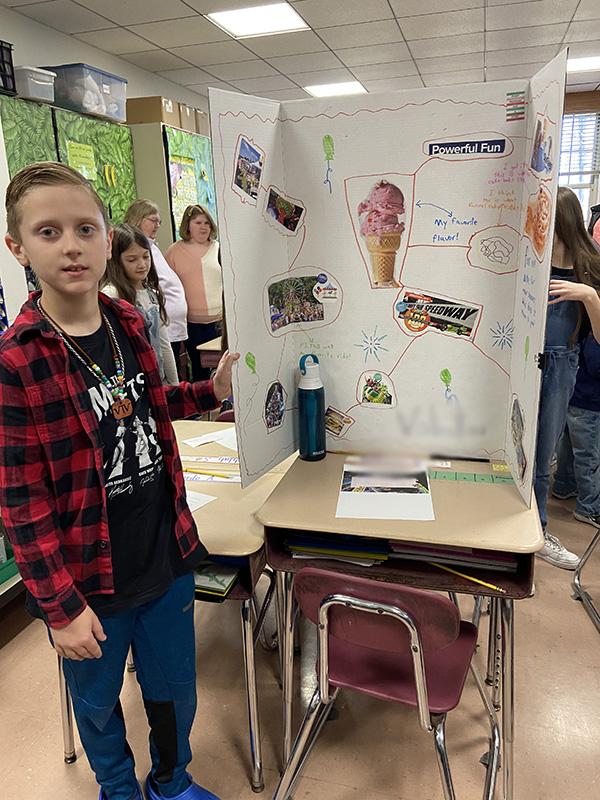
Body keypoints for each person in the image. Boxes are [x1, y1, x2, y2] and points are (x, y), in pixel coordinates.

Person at [0, 162, 239, 800]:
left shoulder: (127, 321)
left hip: (162, 552)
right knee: (100, 704)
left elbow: (149, 405)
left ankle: (170, 781)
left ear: (110, 238)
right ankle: (118, 789)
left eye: (86, 228)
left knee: (173, 690)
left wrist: (207, 392)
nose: (72, 245)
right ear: (17, 247)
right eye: (48, 232)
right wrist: (59, 606)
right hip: (87, 579)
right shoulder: (17, 360)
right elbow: (20, 503)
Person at [534, 186, 600, 569]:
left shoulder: (590, 262)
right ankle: (517, 535)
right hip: (525, 360)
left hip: (561, 365)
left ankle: (539, 533)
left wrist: (589, 296)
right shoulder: (534, 259)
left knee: (546, 456)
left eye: (552, 225)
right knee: (515, 454)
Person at [101, 223, 178, 385]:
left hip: (157, 379)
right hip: (132, 385)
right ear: (116, 261)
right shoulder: (111, 295)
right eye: (132, 259)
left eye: (145, 256)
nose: (142, 264)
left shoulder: (153, 294)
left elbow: (164, 345)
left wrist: (175, 386)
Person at [124, 200, 189, 381]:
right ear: (138, 219)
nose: (157, 225)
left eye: (145, 258)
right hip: (158, 331)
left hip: (166, 328)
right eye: (153, 220)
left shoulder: (152, 246)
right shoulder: (134, 246)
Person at [165, 205, 222, 382]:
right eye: (198, 222)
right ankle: (202, 406)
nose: (203, 227)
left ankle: (223, 406)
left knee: (221, 368)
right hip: (191, 323)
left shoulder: (219, 248)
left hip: (220, 321)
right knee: (199, 368)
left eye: (207, 223)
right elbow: (165, 285)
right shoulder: (174, 251)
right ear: (188, 225)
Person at [552, 332, 600, 527]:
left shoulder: (583, 330)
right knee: (589, 457)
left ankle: (564, 485)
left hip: (574, 399)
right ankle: (589, 507)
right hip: (590, 405)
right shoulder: (596, 336)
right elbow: (597, 368)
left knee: (568, 448)